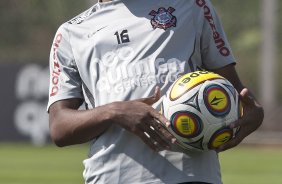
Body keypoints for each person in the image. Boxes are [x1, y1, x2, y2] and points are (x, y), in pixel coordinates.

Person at [47, 0, 264, 183]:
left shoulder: (193, 6)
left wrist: (254, 114)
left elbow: (237, 92)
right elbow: (59, 126)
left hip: (192, 176)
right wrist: (113, 111)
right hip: (114, 176)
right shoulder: (71, 33)